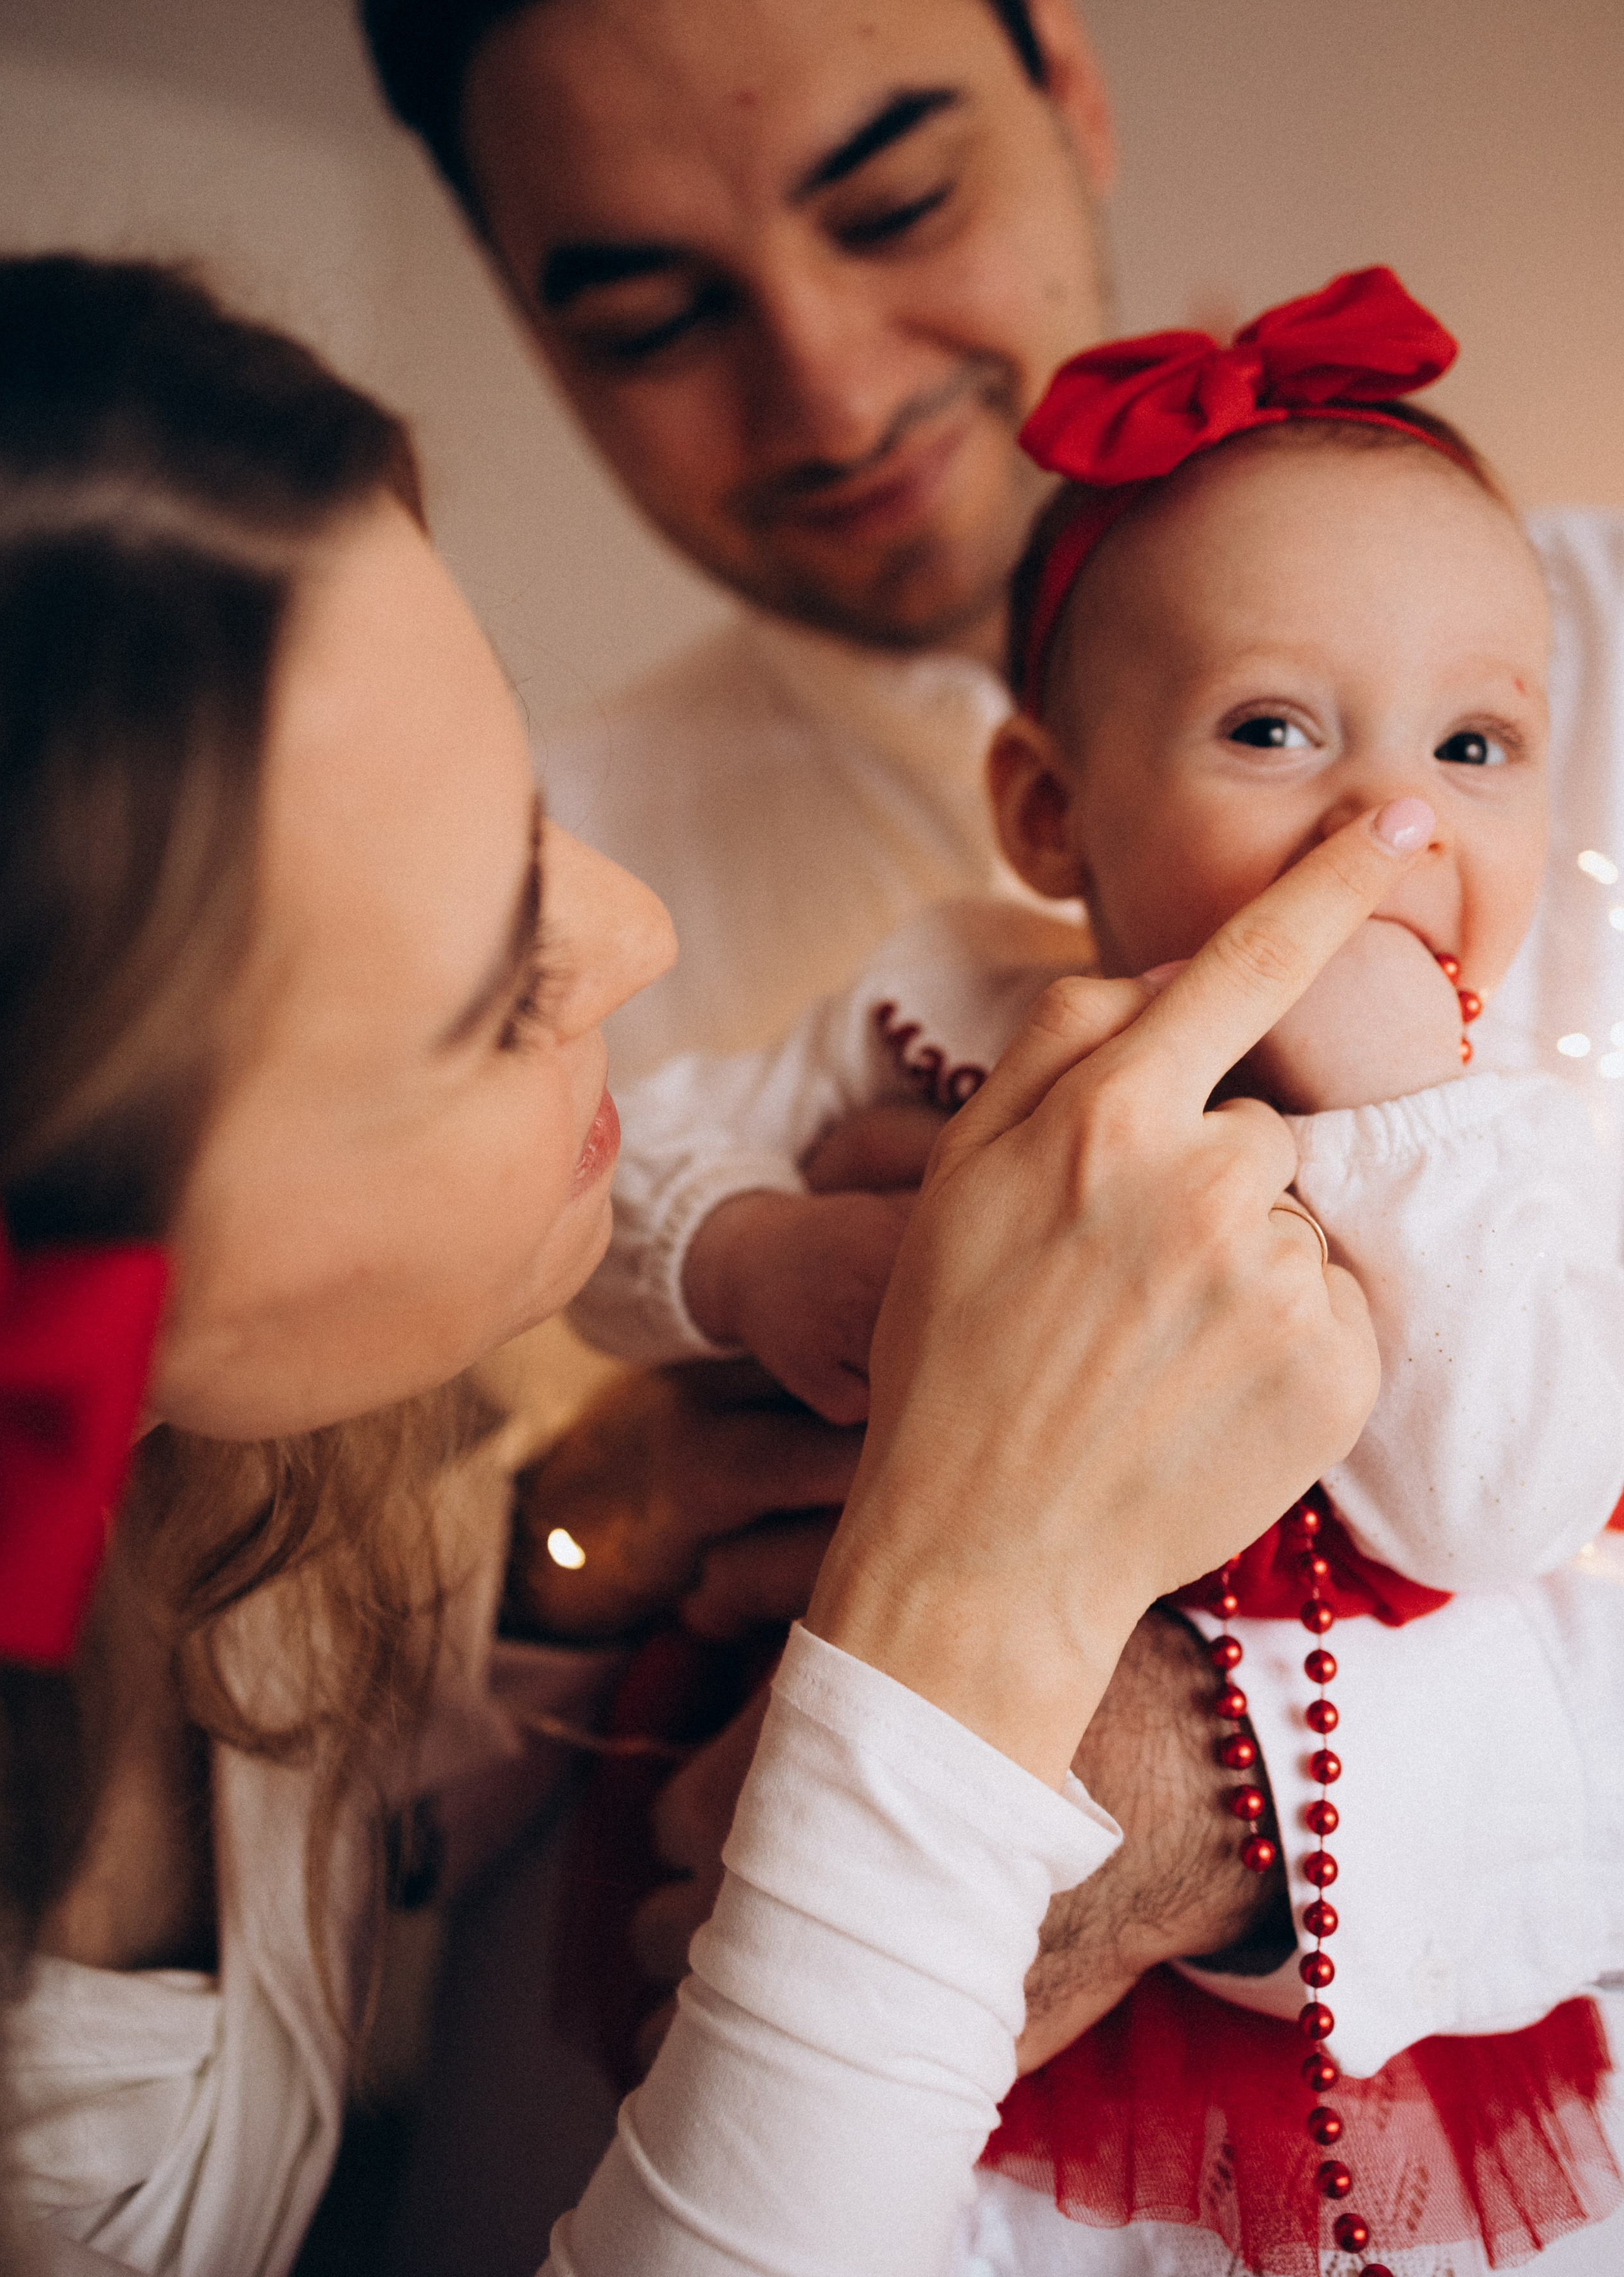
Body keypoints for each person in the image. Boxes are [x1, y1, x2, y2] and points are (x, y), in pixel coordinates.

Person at [360, 0, 1624, 2243]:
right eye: (646, 313)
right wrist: (597, 1512)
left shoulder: (1544, 688)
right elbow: (306, 1717)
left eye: (896, 196)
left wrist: (1223, 1780)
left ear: (1060, 64)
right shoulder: (524, 863)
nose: (826, 382)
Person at [0, 250, 1421, 2277]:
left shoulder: (248, 1496)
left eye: (541, 830)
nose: (637, 938)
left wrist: (608, 1516)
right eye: (496, 986)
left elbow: (352, 1862)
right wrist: (974, 1605)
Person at [574, 268, 1624, 2269]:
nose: (1392, 824)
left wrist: (1403, 1119)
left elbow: (1497, 1510)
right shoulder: (937, 1010)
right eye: (1272, 730)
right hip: (889, 1888)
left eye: (1477, 746)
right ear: (1050, 810)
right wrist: (755, 1255)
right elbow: (617, 1182)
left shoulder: (1499, 1156)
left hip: (1318, 1984)